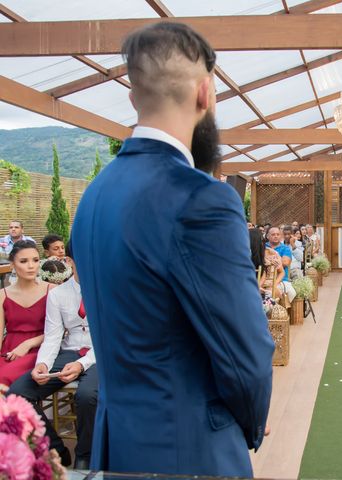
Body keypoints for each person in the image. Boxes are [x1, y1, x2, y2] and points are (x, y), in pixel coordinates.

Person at [71, 22, 274, 476]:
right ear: (206, 93)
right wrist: (243, 429)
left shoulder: (93, 197)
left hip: (115, 440)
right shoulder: (202, 198)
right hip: (190, 448)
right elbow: (246, 354)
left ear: (132, 97)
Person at [9, 252, 97, 470]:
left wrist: (81, 364)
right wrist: (43, 364)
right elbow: (53, 336)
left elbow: (111, 336)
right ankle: (56, 448)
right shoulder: (58, 295)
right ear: (69, 261)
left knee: (87, 396)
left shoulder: (108, 289)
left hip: (100, 355)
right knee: (17, 393)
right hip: (69, 351)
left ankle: (85, 455)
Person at [0, 240, 51, 387]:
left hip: (42, 351)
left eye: (35, 260)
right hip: (9, 353)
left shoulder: (53, 290)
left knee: (2, 379)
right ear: (12, 265)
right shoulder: (2, 295)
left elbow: (62, 331)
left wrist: (28, 343)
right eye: (23, 261)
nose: (31, 266)